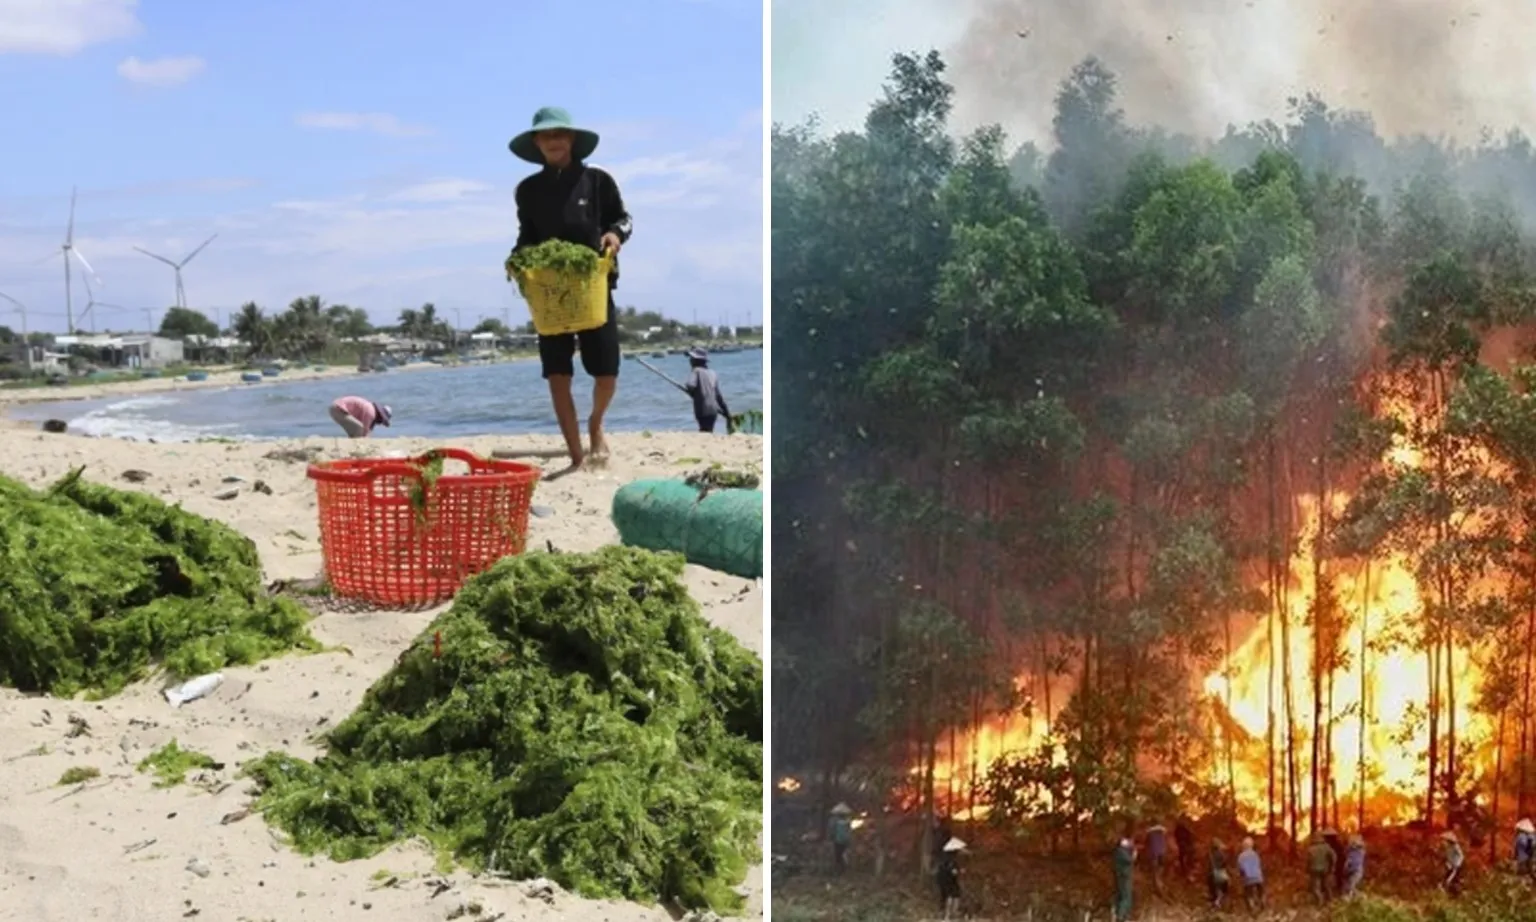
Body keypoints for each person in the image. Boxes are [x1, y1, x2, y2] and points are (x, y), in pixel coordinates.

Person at [508, 105, 632, 475]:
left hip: (592, 286)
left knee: (606, 373)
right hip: (550, 296)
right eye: (546, 136)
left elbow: (623, 219)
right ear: (537, 143)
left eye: (559, 135)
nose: (553, 141)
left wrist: (614, 235)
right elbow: (526, 238)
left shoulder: (598, 182)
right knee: (558, 374)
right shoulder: (528, 191)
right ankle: (576, 454)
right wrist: (517, 259)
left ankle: (595, 424)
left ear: (572, 140)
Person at [683, 348, 732, 433]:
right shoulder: (712, 373)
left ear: (696, 361)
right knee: (709, 430)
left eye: (691, 359)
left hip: (702, 409)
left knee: (704, 430)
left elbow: (690, 385)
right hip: (714, 410)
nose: (690, 361)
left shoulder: (696, 371)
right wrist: (726, 412)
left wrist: (693, 393)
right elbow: (718, 396)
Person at [1307, 833, 1337, 904]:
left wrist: (1307, 869)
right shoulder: (1327, 847)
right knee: (1326, 885)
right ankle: (1330, 900)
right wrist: (1332, 866)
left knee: (1316, 887)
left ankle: (1320, 899)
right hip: (1325, 869)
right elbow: (1334, 857)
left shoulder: (1311, 849)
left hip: (1314, 870)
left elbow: (1308, 860)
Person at [1237, 837, 1264, 913]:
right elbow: (1258, 864)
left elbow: (1241, 868)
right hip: (1258, 877)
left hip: (1248, 878)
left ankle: (1252, 907)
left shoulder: (1241, 856)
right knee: (1260, 891)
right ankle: (1261, 900)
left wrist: (1241, 876)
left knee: (1248, 894)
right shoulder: (1255, 854)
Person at [1112, 835, 1136, 922]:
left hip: (1121, 876)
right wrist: (1134, 853)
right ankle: (1121, 917)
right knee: (1126, 896)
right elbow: (1130, 860)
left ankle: (1121, 915)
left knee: (1121, 895)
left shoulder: (1119, 851)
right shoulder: (1121, 851)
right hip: (1124, 876)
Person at [827, 803, 853, 874]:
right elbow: (849, 831)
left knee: (837, 856)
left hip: (837, 840)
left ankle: (839, 870)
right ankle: (843, 869)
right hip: (846, 841)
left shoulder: (834, 820)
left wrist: (830, 838)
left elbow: (832, 830)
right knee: (843, 854)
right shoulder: (848, 821)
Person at [1145, 821, 1168, 895]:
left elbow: (1148, 845)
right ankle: (1160, 884)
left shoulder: (1151, 835)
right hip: (1162, 854)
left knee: (1155, 872)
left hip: (1154, 854)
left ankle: (1158, 886)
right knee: (1160, 870)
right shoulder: (1162, 834)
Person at [1207, 839, 1230, 908]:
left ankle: (1216, 902)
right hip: (1219, 873)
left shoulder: (1210, 854)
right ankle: (1218, 902)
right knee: (1224, 889)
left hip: (1211, 874)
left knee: (1216, 889)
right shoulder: (1220, 854)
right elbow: (1224, 863)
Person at [1442, 831, 1465, 896]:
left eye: (1444, 840)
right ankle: (1450, 893)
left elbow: (1461, 856)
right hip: (1450, 866)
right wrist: (1447, 863)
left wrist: (1457, 864)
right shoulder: (1447, 848)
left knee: (1452, 879)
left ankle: (1457, 893)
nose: (1443, 842)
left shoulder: (1455, 846)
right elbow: (1448, 857)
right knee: (1447, 879)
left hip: (1456, 866)